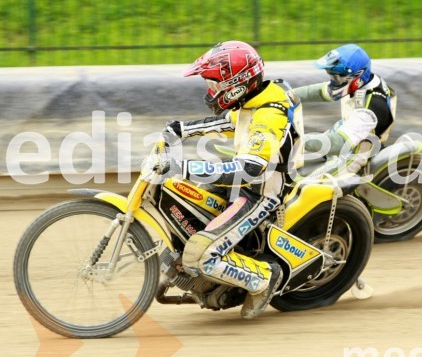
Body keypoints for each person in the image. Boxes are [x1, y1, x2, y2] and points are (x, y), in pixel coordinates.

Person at [164, 40, 303, 319]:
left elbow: (251, 168)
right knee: (185, 207)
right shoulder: (252, 100)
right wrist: (179, 130)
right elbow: (229, 123)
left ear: (236, 84)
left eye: (214, 85)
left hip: (262, 192)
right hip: (242, 182)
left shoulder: (269, 113)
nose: (210, 91)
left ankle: (264, 278)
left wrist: (184, 167)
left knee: (199, 253)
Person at [293, 44, 396, 174]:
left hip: (359, 150)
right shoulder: (367, 81)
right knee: (310, 146)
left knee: (313, 182)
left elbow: (340, 143)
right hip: (351, 129)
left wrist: (298, 141)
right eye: (331, 76)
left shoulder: (371, 107)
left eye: (336, 77)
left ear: (357, 76)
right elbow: (321, 92)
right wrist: (286, 95)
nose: (333, 81)